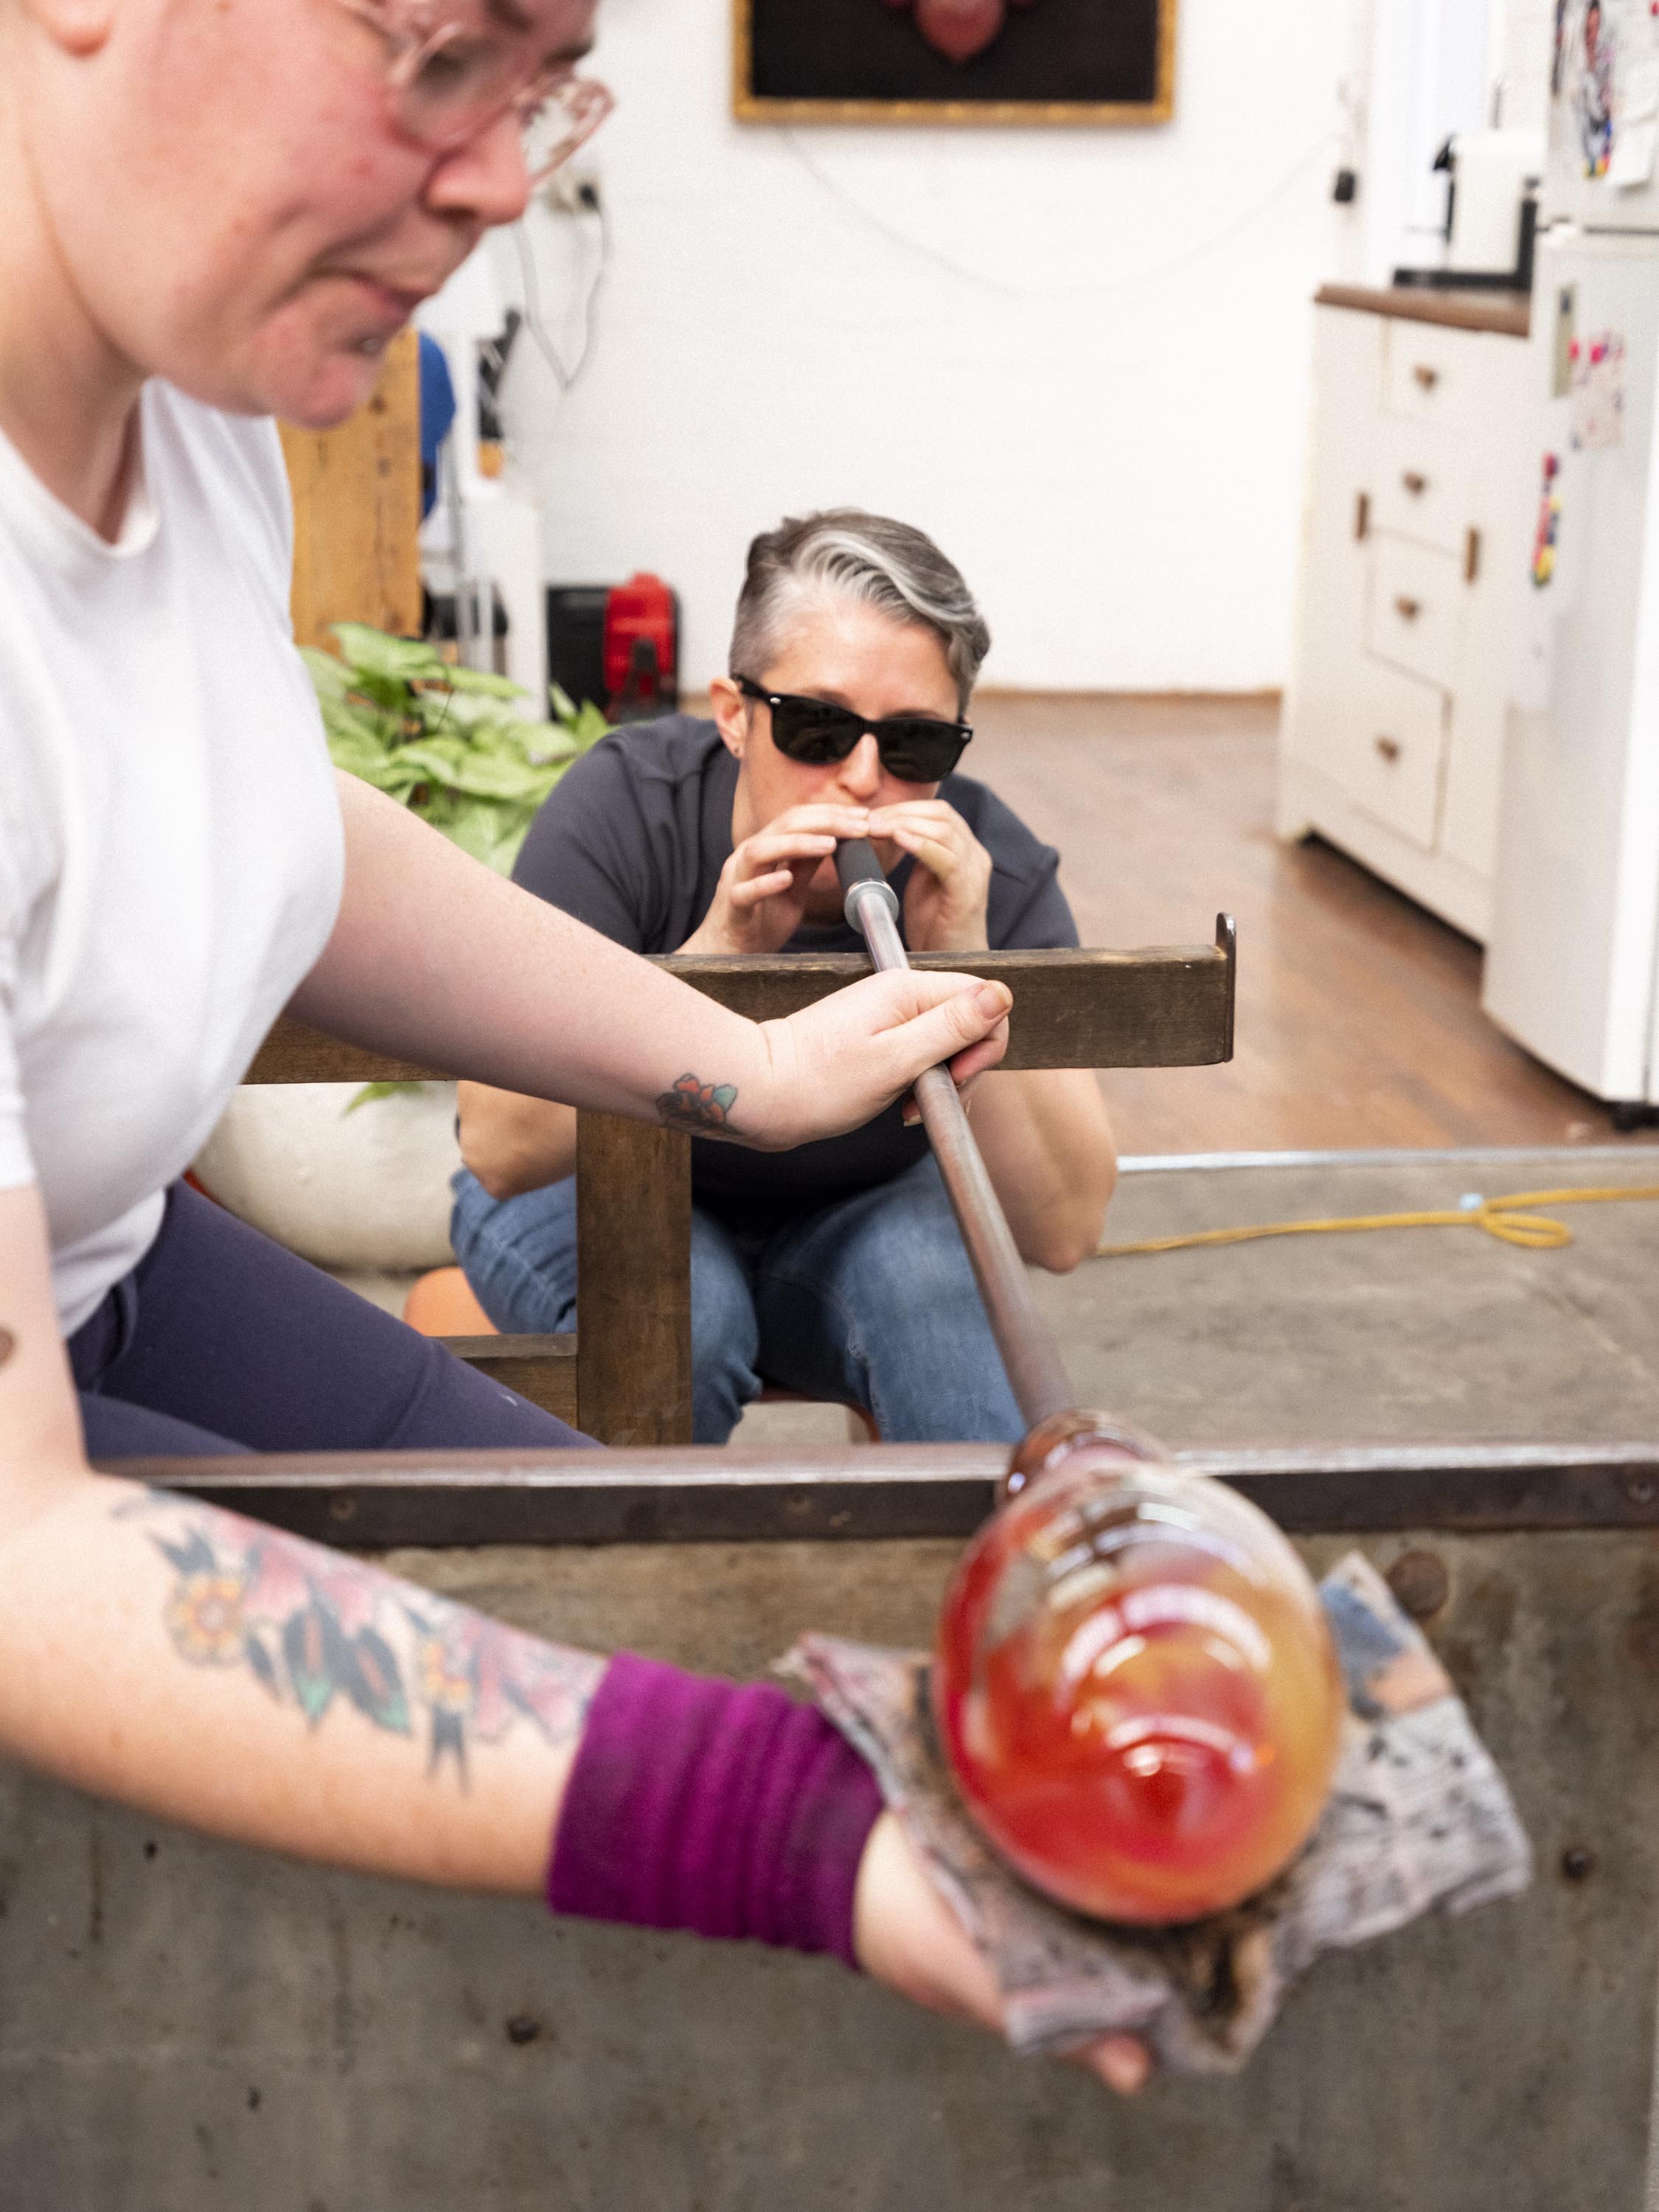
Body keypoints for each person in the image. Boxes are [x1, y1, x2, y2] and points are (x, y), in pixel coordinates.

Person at [0, 0, 1146, 2099]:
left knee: (586, 1561)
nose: (506, 177)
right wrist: (794, 1827)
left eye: (542, 82)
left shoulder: (188, 412)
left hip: (106, 1259)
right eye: (437, 53)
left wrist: (745, 1065)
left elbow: (266, 808)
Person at [452, 510, 1118, 1442]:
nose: (862, 778)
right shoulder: (625, 809)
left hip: (857, 1207)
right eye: (817, 727)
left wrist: (967, 965)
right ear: (733, 715)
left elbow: (1063, 1228)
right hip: (598, 1178)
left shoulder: (981, 868)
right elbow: (497, 1144)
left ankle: (962, 1582)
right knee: (686, 1326)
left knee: (956, 1357)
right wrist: (712, 958)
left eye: (915, 744)